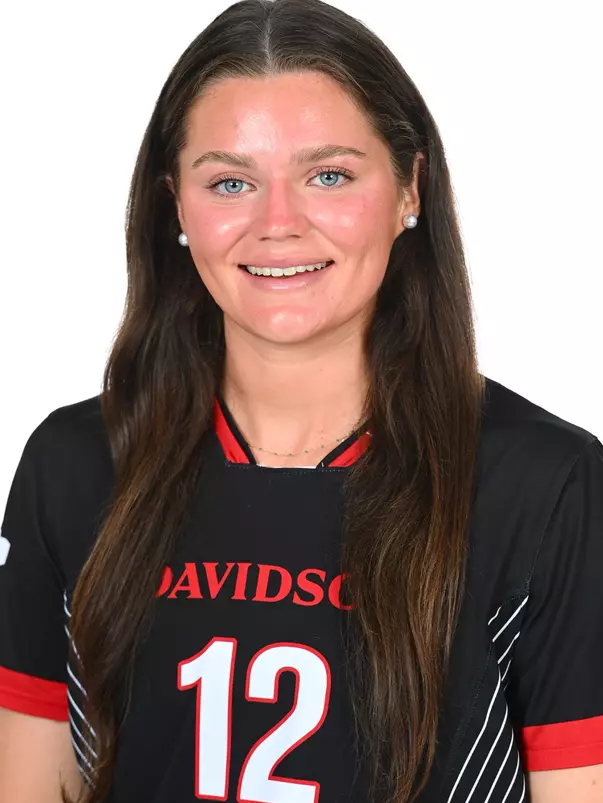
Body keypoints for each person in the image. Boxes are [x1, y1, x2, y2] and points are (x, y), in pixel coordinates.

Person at [1, 0, 602, 801]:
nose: (276, 223)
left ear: (408, 189)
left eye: (329, 175)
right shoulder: (74, 465)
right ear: (175, 205)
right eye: (229, 181)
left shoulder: (541, 483)